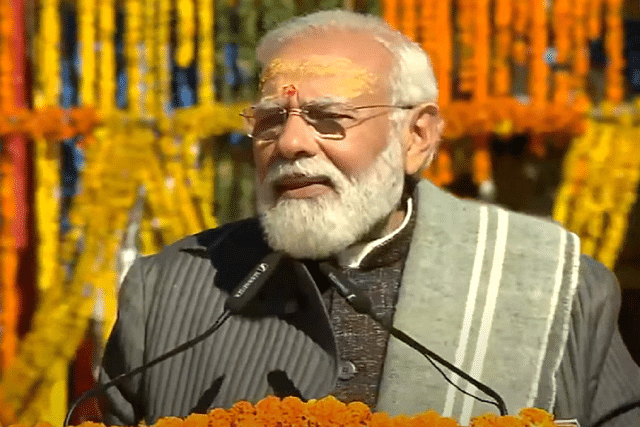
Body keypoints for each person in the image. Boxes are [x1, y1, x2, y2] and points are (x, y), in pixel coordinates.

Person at [99, 9, 640, 427]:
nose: (289, 142)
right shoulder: (167, 290)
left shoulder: (554, 286)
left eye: (329, 118)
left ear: (417, 137)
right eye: (269, 119)